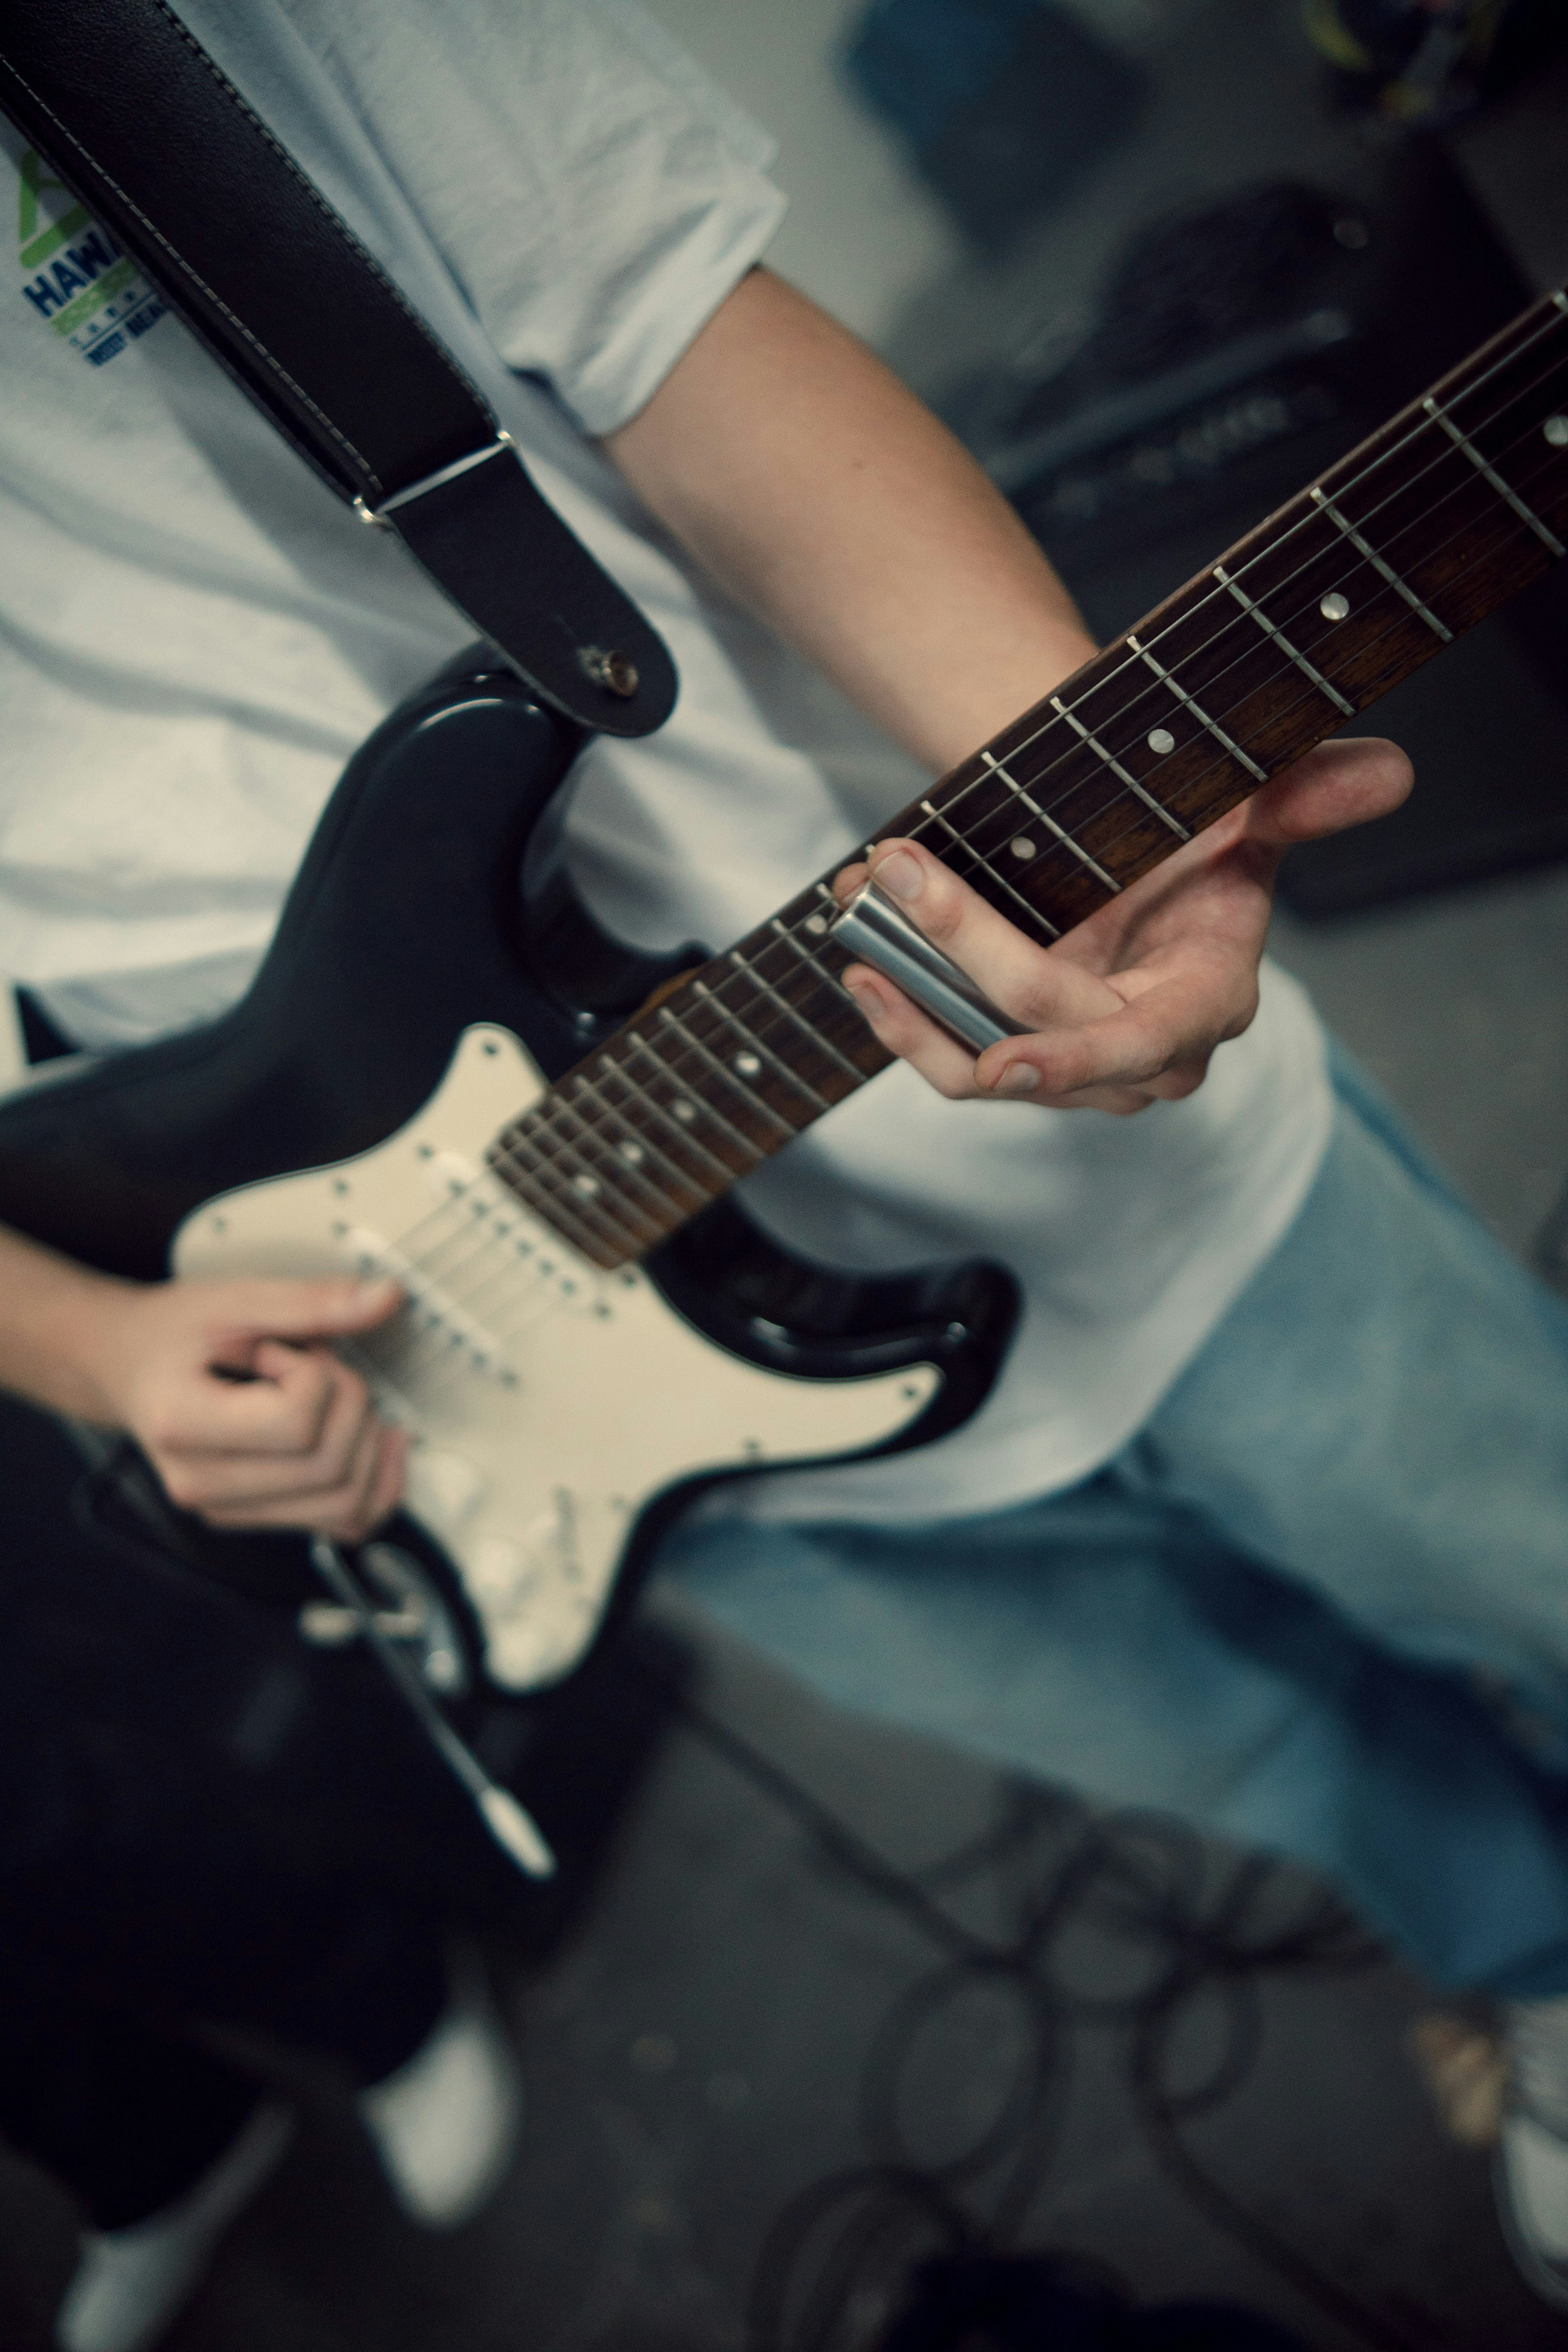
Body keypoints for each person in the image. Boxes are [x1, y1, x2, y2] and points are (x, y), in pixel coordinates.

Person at [1, 0, 1566, 2338]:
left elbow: (671, 328)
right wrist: (110, 1346)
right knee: (1245, 1744)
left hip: (1007, 1083)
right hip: (519, 1399)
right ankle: (1535, 1957)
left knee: (1509, 1526)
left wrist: (1077, 809)